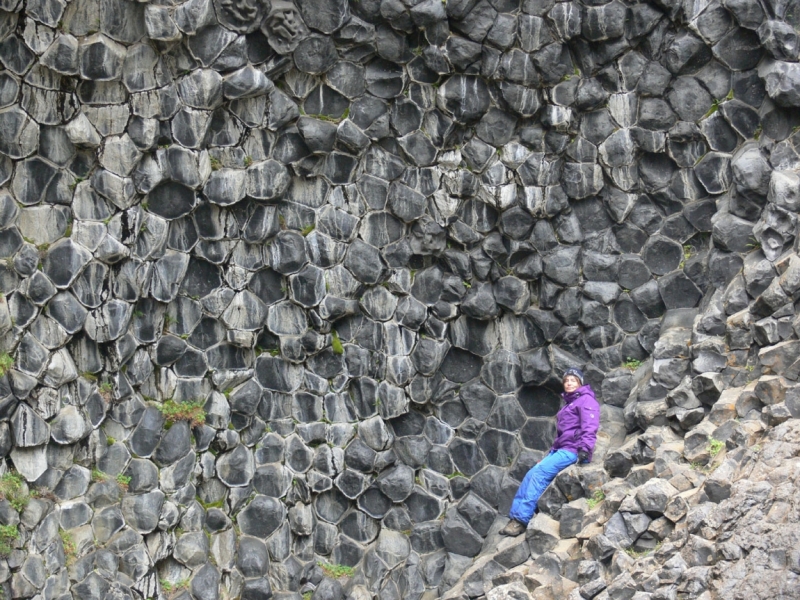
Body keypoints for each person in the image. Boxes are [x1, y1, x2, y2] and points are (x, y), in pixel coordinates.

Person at [501, 367, 600, 536]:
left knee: (539, 474)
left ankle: (520, 521)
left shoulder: (586, 401)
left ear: (580, 383)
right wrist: (548, 456)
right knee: (531, 473)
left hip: (572, 450)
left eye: (573, 380)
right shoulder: (569, 404)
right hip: (561, 450)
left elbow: (590, 426)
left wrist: (585, 449)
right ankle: (514, 516)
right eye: (566, 381)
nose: (568, 383)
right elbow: (561, 436)